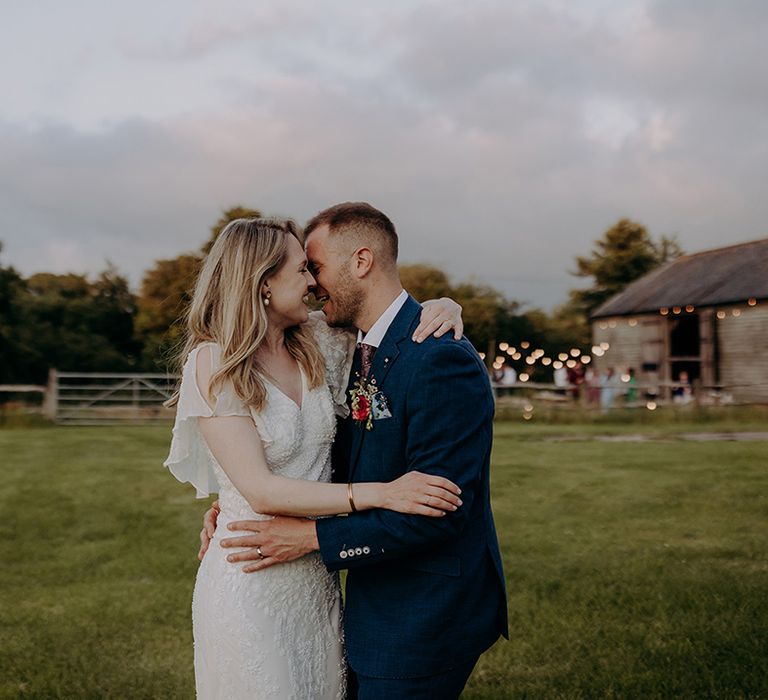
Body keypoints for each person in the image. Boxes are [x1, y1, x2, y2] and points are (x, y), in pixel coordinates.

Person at [203, 203, 508, 698]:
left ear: (362, 261)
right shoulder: (343, 345)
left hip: (423, 611)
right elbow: (328, 453)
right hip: (360, 605)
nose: (312, 284)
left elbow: (441, 508)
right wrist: (239, 491)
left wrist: (309, 540)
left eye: (315, 267)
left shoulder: (438, 356)